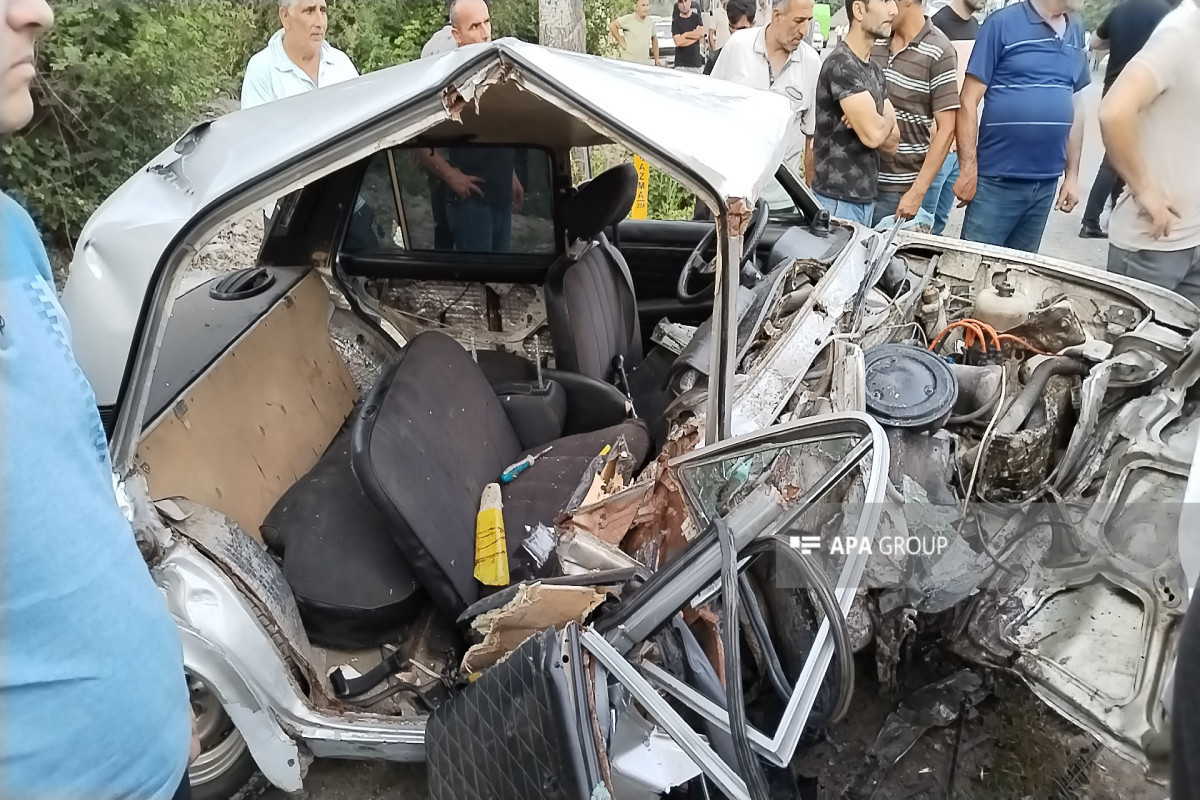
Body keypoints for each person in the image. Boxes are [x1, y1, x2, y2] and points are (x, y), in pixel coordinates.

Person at [1, 1, 197, 798]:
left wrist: (153, 691)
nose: (36, 13)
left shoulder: (12, 233)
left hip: (154, 761)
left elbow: (71, 497)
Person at [952, 0, 1089, 254]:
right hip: (996, 181)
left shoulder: (1076, 29)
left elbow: (1075, 104)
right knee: (970, 270)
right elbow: (968, 100)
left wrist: (1072, 175)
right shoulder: (1002, 24)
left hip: (1045, 184)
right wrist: (968, 169)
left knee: (1016, 277)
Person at [1098, 0, 1200, 305]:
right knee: (1136, 350)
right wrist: (1145, 189)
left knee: (1182, 352)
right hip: (1153, 247)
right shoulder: (1181, 33)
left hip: (1193, 239)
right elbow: (1115, 112)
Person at [417, 0, 524, 252]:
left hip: (499, 193)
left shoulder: (495, 65)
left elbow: (494, 128)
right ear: (457, 35)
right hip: (468, 198)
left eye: (486, 22)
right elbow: (419, 138)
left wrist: (511, 174)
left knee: (500, 279)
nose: (484, 33)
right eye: (475, 26)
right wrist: (451, 176)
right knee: (476, 280)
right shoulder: (445, 74)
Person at [1078, 0, 1169, 239]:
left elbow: (1096, 42)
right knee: (1117, 158)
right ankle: (1090, 220)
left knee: (1120, 153)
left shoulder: (1119, 10)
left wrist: (1118, 41)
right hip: (1141, 93)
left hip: (1112, 89)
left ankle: (1114, 214)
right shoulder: (1166, 13)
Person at [868, 0, 959, 227]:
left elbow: (947, 129)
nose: (884, 7)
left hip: (899, 192)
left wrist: (917, 192)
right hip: (858, 184)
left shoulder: (940, 50)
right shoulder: (875, 39)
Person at [710, 0, 821, 182]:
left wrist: (809, 197)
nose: (804, 31)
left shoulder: (811, 63)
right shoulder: (739, 46)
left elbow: (812, 138)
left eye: (809, 20)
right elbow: (711, 109)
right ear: (777, 16)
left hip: (783, 196)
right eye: (798, 20)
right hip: (734, 188)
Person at [811, 0, 900, 225]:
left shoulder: (875, 71)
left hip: (865, 201)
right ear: (859, 10)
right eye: (885, 1)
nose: (894, 10)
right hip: (837, 203)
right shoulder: (841, 64)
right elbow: (874, 136)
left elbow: (892, 144)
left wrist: (879, 118)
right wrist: (882, 118)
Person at [918, 0, 981, 235]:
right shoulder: (938, 24)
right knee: (922, 221)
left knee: (941, 220)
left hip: (961, 145)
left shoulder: (978, 27)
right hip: (938, 143)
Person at [240, 0, 359, 110]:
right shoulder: (263, 70)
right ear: (285, 16)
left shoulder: (341, 63)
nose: (320, 23)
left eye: (322, 11)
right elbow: (258, 130)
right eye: (309, 11)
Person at [704, 0, 757, 74]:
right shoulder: (715, 59)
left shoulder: (761, 60)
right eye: (732, 28)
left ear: (753, 24)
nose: (736, 34)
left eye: (741, 29)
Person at [610, 0, 661, 65]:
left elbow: (655, 40)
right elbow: (612, 26)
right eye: (643, 5)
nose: (645, 8)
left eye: (647, 5)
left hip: (644, 63)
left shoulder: (650, 22)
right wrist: (620, 40)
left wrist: (656, 59)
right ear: (636, 8)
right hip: (628, 62)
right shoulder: (628, 19)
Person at [672, 0, 708, 72]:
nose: (684, 5)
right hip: (680, 65)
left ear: (690, 2)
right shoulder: (675, 22)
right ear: (678, 5)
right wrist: (695, 36)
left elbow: (701, 33)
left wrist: (685, 35)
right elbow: (679, 42)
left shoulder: (697, 18)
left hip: (695, 64)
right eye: (681, 2)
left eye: (686, 1)